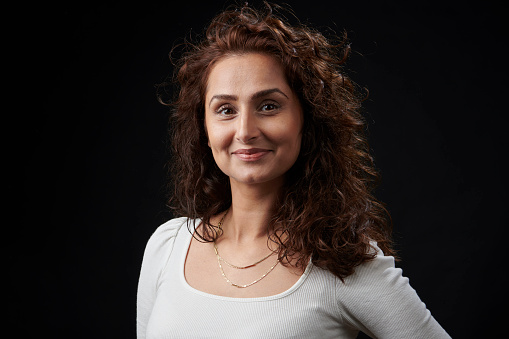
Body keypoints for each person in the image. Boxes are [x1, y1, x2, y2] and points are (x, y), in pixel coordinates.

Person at [137, 3, 450, 338]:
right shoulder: (167, 247)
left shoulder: (343, 262)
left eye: (268, 106)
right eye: (225, 109)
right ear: (204, 128)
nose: (245, 130)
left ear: (308, 119)